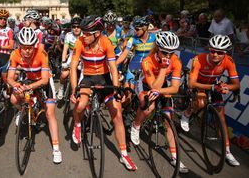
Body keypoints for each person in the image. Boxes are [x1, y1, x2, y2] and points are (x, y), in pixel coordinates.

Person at [70, 15, 137, 170]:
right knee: (80, 105)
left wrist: (117, 88)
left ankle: (124, 154)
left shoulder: (106, 42)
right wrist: (74, 89)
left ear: (97, 33)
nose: (83, 36)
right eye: (83, 33)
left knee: (117, 114)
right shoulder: (79, 42)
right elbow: (73, 67)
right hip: (88, 77)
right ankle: (78, 123)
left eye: (87, 33)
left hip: (104, 78)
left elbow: (113, 68)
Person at [130, 31, 189, 173]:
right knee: (148, 108)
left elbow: (174, 88)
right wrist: (163, 68)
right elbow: (153, 87)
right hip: (145, 84)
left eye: (171, 53)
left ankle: (175, 157)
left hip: (163, 87)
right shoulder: (147, 61)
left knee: (169, 120)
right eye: (164, 52)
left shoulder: (176, 61)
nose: (168, 56)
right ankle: (136, 125)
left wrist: (160, 91)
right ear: (157, 48)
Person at [180, 35, 240, 166]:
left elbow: (236, 84)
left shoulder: (229, 60)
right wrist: (213, 87)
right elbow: (191, 84)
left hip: (215, 85)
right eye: (212, 51)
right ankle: (187, 113)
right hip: (199, 85)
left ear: (226, 53)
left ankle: (227, 151)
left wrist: (226, 87)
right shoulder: (199, 59)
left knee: (221, 118)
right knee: (201, 103)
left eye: (220, 52)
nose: (215, 55)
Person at [7, 27, 62, 164]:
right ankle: (22, 110)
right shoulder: (14, 54)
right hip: (29, 80)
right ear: (19, 46)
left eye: (30, 47)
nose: (27, 51)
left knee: (50, 113)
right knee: (13, 98)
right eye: (24, 47)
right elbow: (9, 78)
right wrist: (17, 86)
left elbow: (44, 80)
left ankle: (56, 148)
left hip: (43, 81)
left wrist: (29, 87)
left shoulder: (42, 54)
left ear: (34, 46)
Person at [57, 16, 82, 100]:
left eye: (78, 26)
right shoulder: (68, 35)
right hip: (71, 58)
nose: (76, 29)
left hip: (82, 59)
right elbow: (65, 50)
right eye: (74, 27)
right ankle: (61, 88)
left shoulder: (84, 35)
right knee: (64, 75)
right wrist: (63, 61)